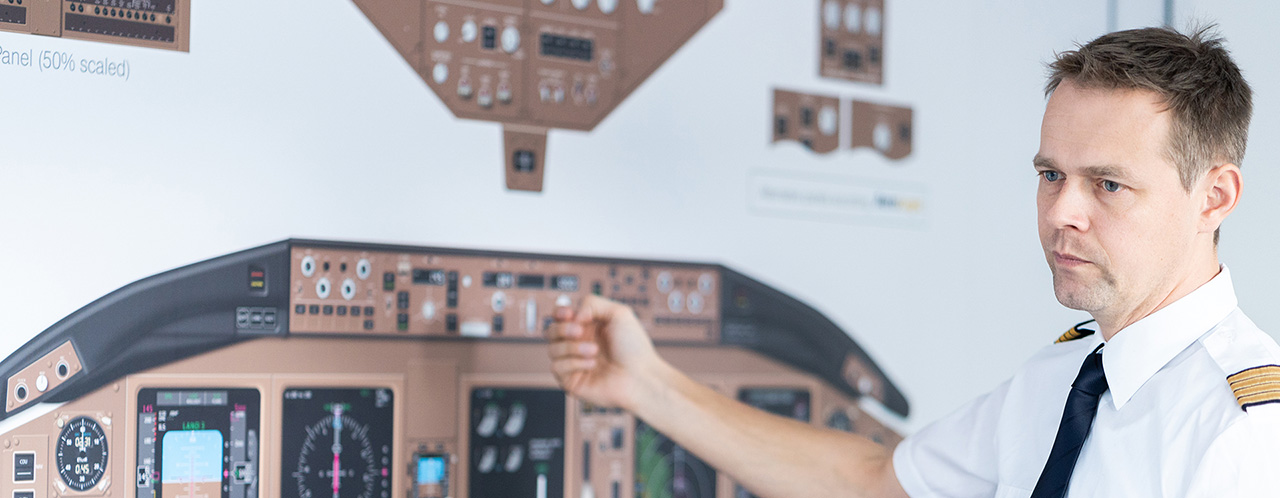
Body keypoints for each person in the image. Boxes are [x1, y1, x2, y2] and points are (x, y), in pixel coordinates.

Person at [547, 26, 1280, 498]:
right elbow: (871, 480)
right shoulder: (1059, 382)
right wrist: (646, 386)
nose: (1061, 212)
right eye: (1050, 175)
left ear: (1215, 197)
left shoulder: (1244, 435)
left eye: (1108, 184)